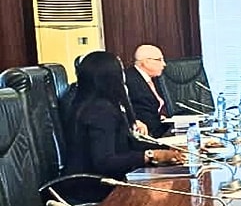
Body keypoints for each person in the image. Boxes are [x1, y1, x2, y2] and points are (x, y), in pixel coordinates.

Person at [66, 51, 183, 181]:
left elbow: (128, 144)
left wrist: (167, 149)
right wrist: (150, 155)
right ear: (111, 77)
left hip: (107, 180)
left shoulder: (93, 104)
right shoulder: (100, 111)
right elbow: (105, 162)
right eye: (120, 71)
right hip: (95, 187)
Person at [125, 44, 169, 137]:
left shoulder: (154, 79)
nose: (164, 64)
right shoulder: (130, 80)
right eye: (159, 60)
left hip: (160, 129)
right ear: (145, 62)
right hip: (148, 134)